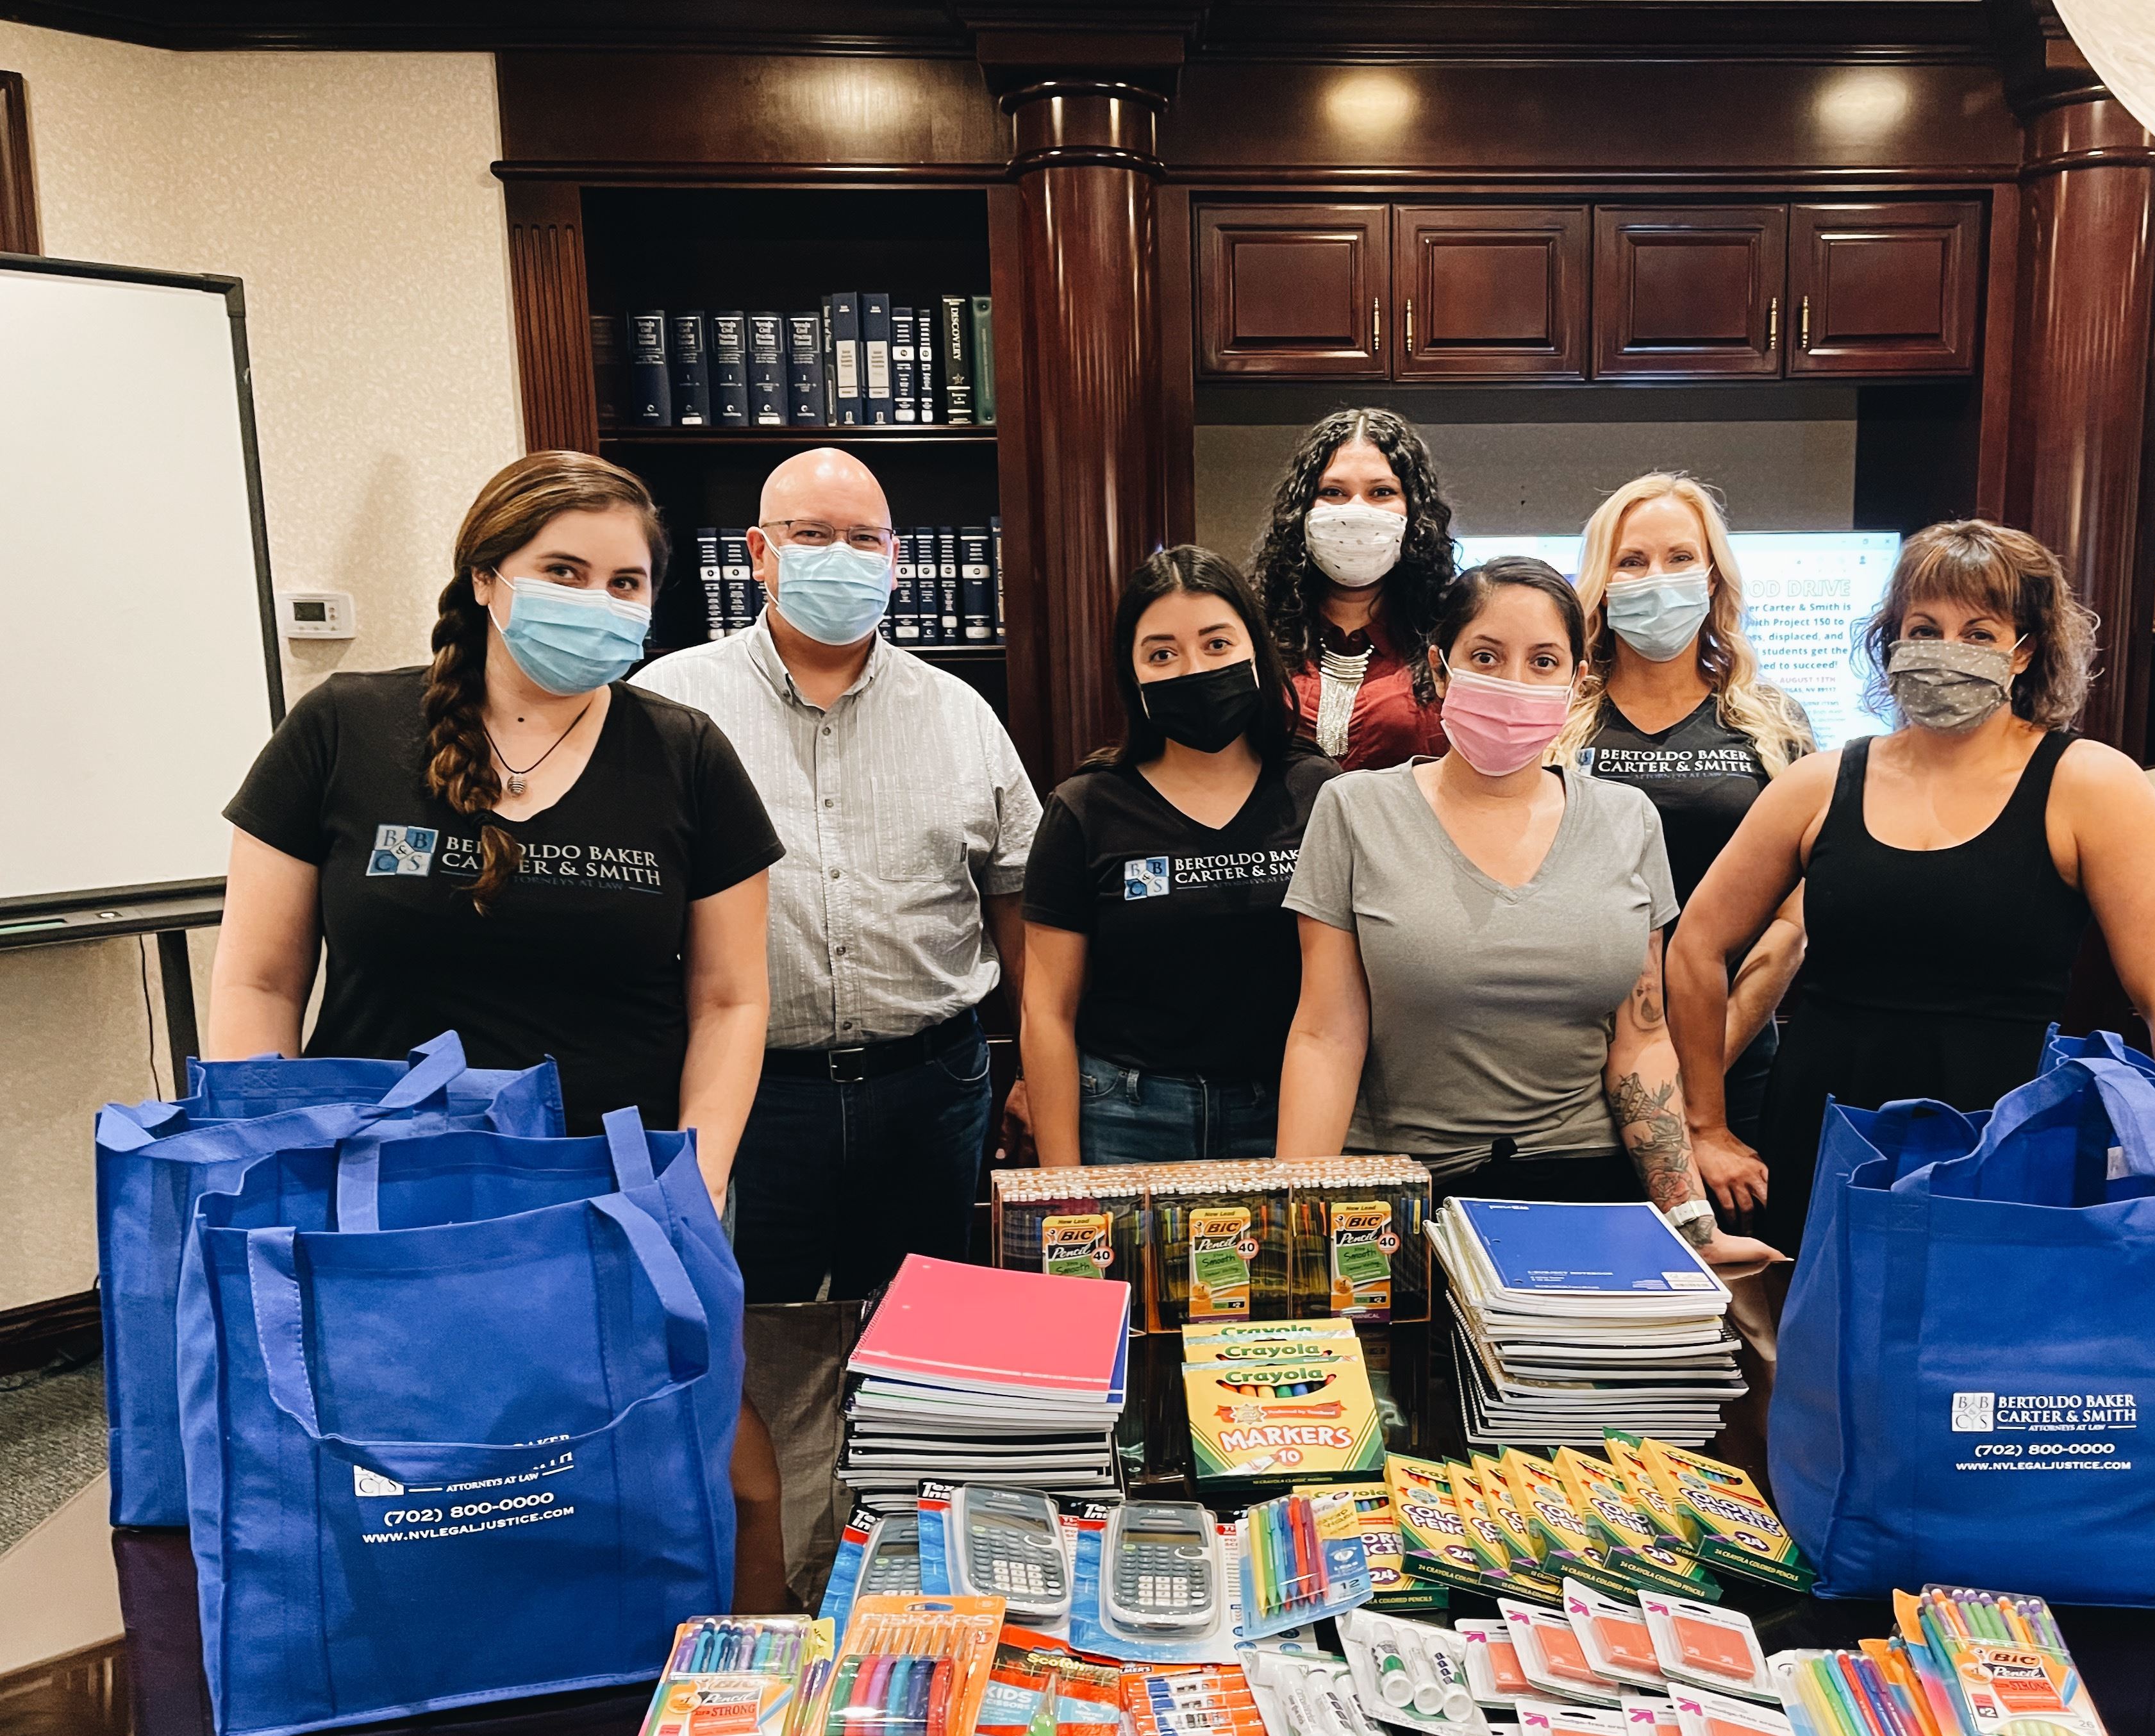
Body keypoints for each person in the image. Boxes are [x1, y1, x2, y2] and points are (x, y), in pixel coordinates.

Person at [208, 447, 786, 1604]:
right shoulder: (342, 728)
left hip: (611, 1203)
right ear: (485, 575)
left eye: (628, 584)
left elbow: (730, 997)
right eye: (564, 569)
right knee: (418, 1504)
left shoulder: (685, 755)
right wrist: (270, 1162)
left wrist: (699, 1177)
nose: (601, 601)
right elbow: (260, 977)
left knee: (637, 1492)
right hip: (380, 1200)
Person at [1667, 518, 2155, 1258]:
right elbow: (1696, 943)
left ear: (2027, 650)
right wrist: (1705, 1123)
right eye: (1925, 626)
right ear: (1891, 640)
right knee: (1819, 1361)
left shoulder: (2093, 786)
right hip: (1824, 1145)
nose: (1947, 649)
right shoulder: (1820, 783)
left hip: (2007, 1152)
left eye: (1979, 633)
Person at [1276, 556, 1777, 1278]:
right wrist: (1300, 1218)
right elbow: (1325, 1034)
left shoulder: (1626, 819)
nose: (1513, 681)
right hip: (1406, 1200)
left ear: (1575, 682)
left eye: (1543, 661)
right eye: (1486, 656)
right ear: (1440, 668)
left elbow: (1640, 1037)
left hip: (1586, 1195)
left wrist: (1690, 1221)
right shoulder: (1356, 810)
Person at [635, 448, 1040, 1305]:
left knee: (922, 1343)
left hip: (931, 1090)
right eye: (812, 534)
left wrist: (1034, 1069)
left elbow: (1015, 911)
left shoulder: (961, 713)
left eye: (865, 538)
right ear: (757, 552)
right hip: (755, 1098)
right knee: (747, 1339)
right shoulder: (669, 706)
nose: (842, 556)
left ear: (896, 557)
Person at [1020, 546, 1335, 1165]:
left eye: (1217, 644)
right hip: (1124, 1116)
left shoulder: (1321, 791)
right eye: (1162, 653)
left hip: (1284, 1110)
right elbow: (1046, 1013)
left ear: (1256, 650)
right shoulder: (1085, 807)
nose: (1192, 668)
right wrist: (1066, 1182)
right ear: (1131, 674)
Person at [1557, 472, 1815, 1227]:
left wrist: (1698, 1087)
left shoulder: (1773, 725)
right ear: (1600, 582)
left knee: (1733, 1293)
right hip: (1577, 1066)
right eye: (1631, 561)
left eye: (1679, 557)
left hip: (1737, 1061)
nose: (1655, 578)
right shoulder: (1557, 720)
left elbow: (1791, 927)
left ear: (1714, 576)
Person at [1249, 406, 1458, 770]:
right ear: (1302, 510)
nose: (1356, 511)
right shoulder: (1252, 630)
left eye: (1381, 492)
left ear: (1414, 512)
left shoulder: (1452, 632)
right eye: (1333, 492)